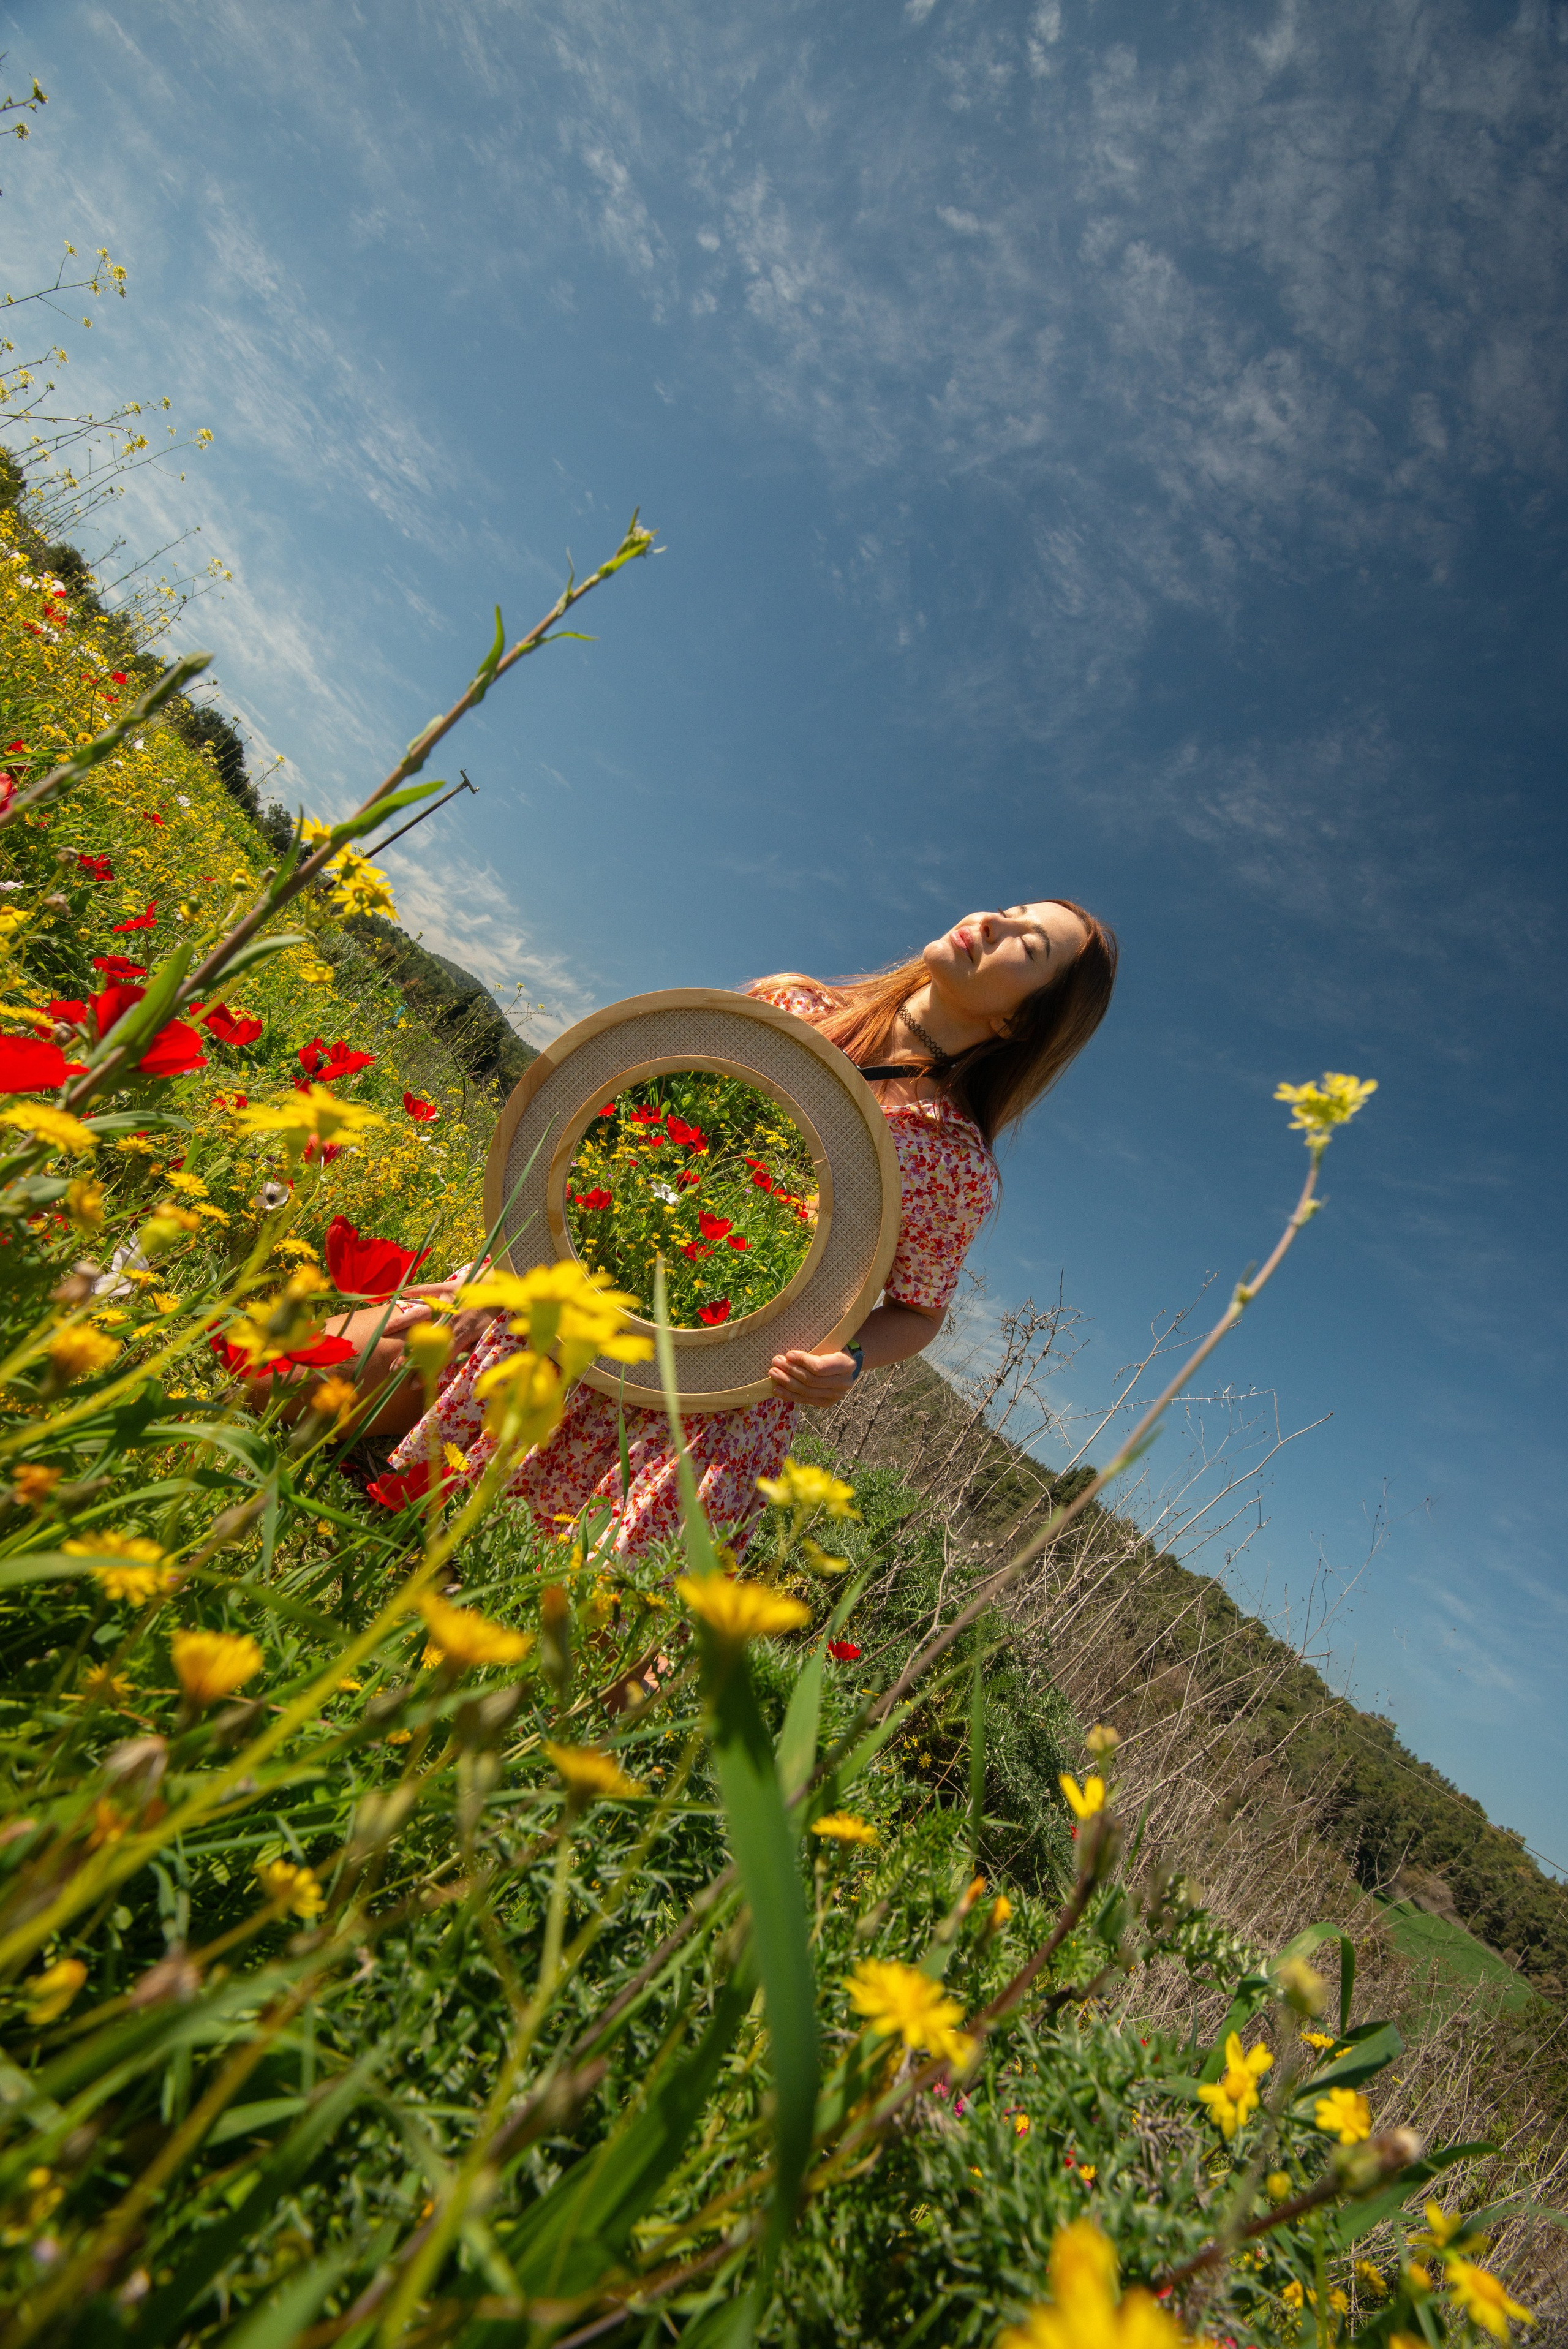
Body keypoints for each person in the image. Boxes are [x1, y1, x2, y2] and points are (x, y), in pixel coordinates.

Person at [344, 900, 1117, 1556]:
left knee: (558, 1608)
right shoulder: (787, 1008)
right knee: (298, 1380)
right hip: (577, 1298)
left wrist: (843, 1359)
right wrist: (519, 1260)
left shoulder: (954, 1165)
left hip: (710, 1393)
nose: (990, 923)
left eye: (1026, 943)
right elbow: (619, 1117)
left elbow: (917, 1312)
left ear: (1020, 1021)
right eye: (1009, 910)